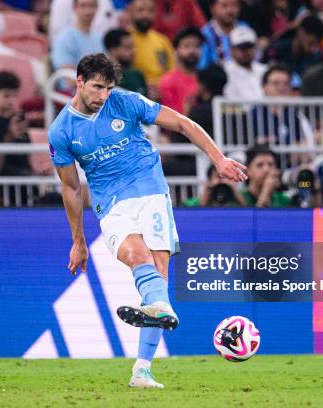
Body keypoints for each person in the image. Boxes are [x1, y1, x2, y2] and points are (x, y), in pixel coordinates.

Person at [49, 53, 246, 388]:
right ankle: (159, 309)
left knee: (157, 274)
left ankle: (141, 370)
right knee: (140, 262)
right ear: (78, 82)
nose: (103, 96)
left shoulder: (125, 102)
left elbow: (184, 124)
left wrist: (218, 158)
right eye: (97, 87)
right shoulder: (61, 132)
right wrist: (78, 241)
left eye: (108, 88)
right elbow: (70, 187)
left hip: (152, 192)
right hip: (111, 206)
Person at [250, 64, 312, 146]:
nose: (281, 88)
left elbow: (305, 144)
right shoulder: (253, 116)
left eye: (286, 83)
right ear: (264, 87)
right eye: (276, 83)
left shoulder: (296, 116)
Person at [0, 70, 32, 176]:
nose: (11, 101)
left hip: (25, 181)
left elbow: (24, 159)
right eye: (6, 96)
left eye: (15, 96)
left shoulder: (18, 121)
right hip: (2, 183)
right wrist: (9, 137)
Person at [261, 14, 323, 79]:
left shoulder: (317, 59)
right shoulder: (277, 50)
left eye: (317, 45)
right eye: (311, 43)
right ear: (301, 32)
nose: (314, 49)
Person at [129, 0, 174, 91]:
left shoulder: (162, 40)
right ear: (131, 12)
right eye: (140, 10)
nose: (145, 15)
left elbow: (171, 71)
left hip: (161, 92)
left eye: (150, 11)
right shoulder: (126, 39)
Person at [159, 27, 204, 115]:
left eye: (197, 46)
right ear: (176, 51)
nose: (192, 51)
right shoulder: (168, 81)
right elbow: (170, 119)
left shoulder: (205, 78)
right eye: (186, 46)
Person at [51, 0, 104, 71]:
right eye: (83, 6)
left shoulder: (100, 37)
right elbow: (68, 76)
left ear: (97, 8)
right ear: (74, 8)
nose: (88, 11)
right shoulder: (64, 38)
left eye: (92, 6)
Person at [199, 0, 248, 69]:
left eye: (234, 5)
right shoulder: (205, 34)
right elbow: (202, 66)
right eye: (224, 5)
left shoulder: (245, 28)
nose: (230, 10)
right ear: (212, 9)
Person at [223, 26, 266, 100]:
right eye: (241, 47)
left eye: (249, 46)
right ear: (231, 49)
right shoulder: (224, 71)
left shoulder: (265, 70)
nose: (246, 51)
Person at [103, 28, 148, 96]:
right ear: (113, 50)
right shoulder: (102, 79)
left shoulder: (137, 75)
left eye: (133, 46)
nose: (133, 51)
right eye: (128, 47)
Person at [187, 63, 227, 136]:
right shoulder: (233, 109)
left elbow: (179, 138)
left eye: (197, 83)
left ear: (203, 85)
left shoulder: (199, 113)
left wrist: (186, 114)